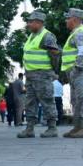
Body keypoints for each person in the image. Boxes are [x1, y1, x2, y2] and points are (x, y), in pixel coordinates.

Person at [18, 10, 61, 139]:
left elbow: (55, 55)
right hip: (30, 75)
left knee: (47, 100)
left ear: (38, 22)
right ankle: (29, 129)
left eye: (30, 22)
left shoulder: (47, 36)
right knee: (30, 102)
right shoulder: (32, 36)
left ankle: (52, 128)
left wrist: (52, 71)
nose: (28, 24)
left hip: (42, 74)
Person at [62, 8, 83, 139]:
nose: (66, 21)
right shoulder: (76, 32)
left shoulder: (80, 33)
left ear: (75, 19)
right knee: (76, 100)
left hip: (81, 71)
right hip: (76, 71)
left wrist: (77, 69)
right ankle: (78, 127)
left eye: (68, 18)